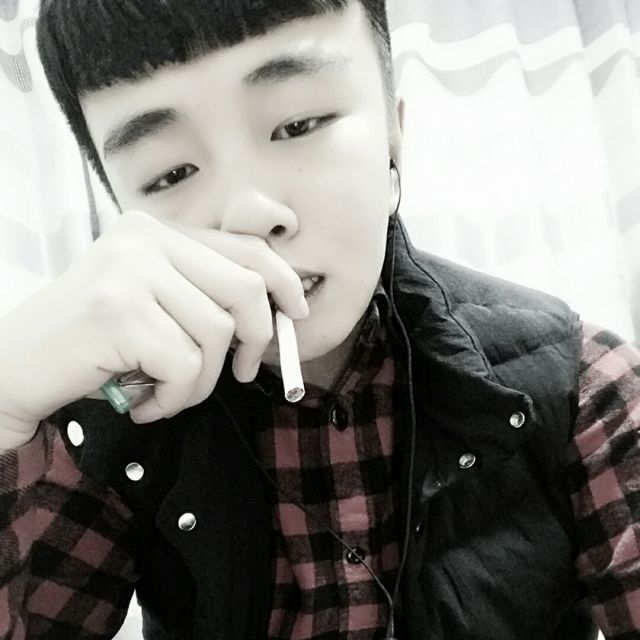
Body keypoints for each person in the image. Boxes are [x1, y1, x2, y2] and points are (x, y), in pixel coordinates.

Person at [0, 1, 638, 638]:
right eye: (171, 174)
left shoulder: (582, 385)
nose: (250, 215)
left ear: (392, 137)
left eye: (297, 125)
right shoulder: (110, 413)